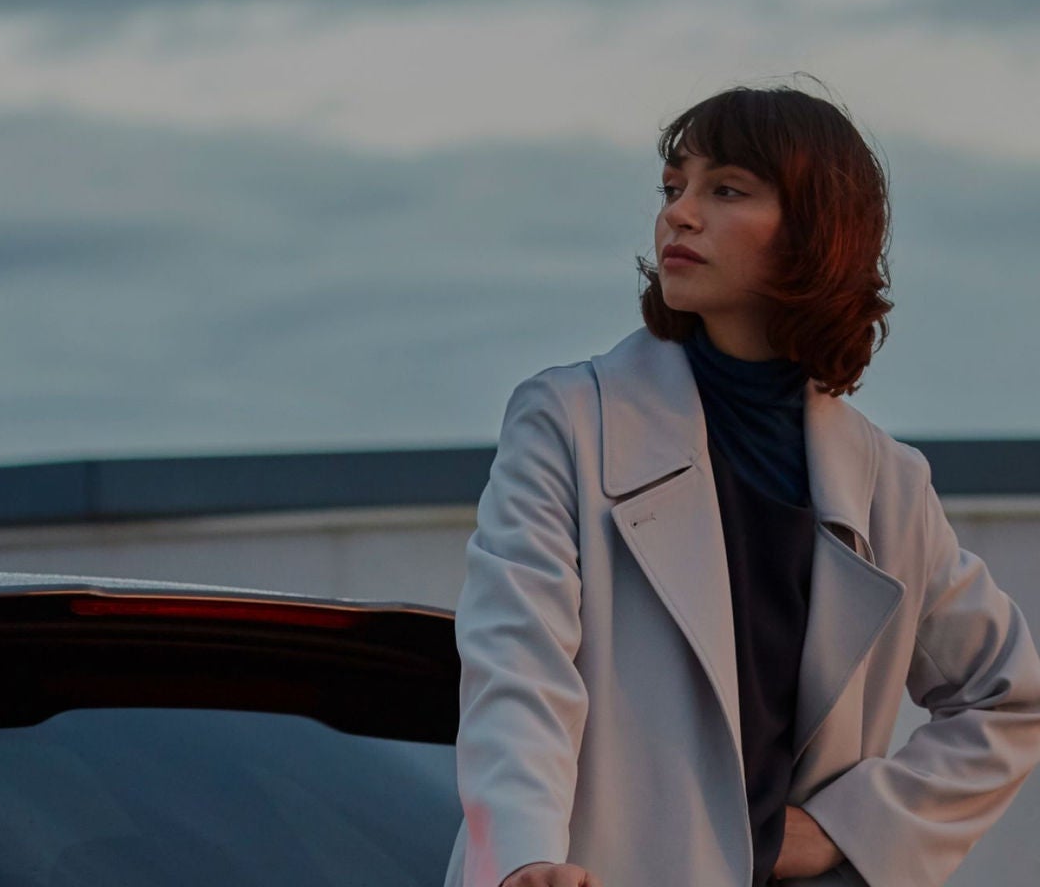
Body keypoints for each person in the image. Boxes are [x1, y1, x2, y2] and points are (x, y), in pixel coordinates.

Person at [443, 83, 1040, 887]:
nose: (679, 215)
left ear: (816, 231)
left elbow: (1009, 699)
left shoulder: (888, 486)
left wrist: (847, 828)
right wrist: (524, 857)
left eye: (725, 190)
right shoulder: (569, 424)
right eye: (672, 188)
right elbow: (519, 666)